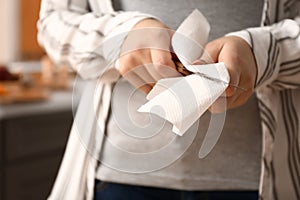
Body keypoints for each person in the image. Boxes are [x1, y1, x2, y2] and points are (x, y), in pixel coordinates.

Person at [37, 0, 300, 199]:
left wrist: (267, 52)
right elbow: (54, 21)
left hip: (263, 181)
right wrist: (121, 36)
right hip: (116, 178)